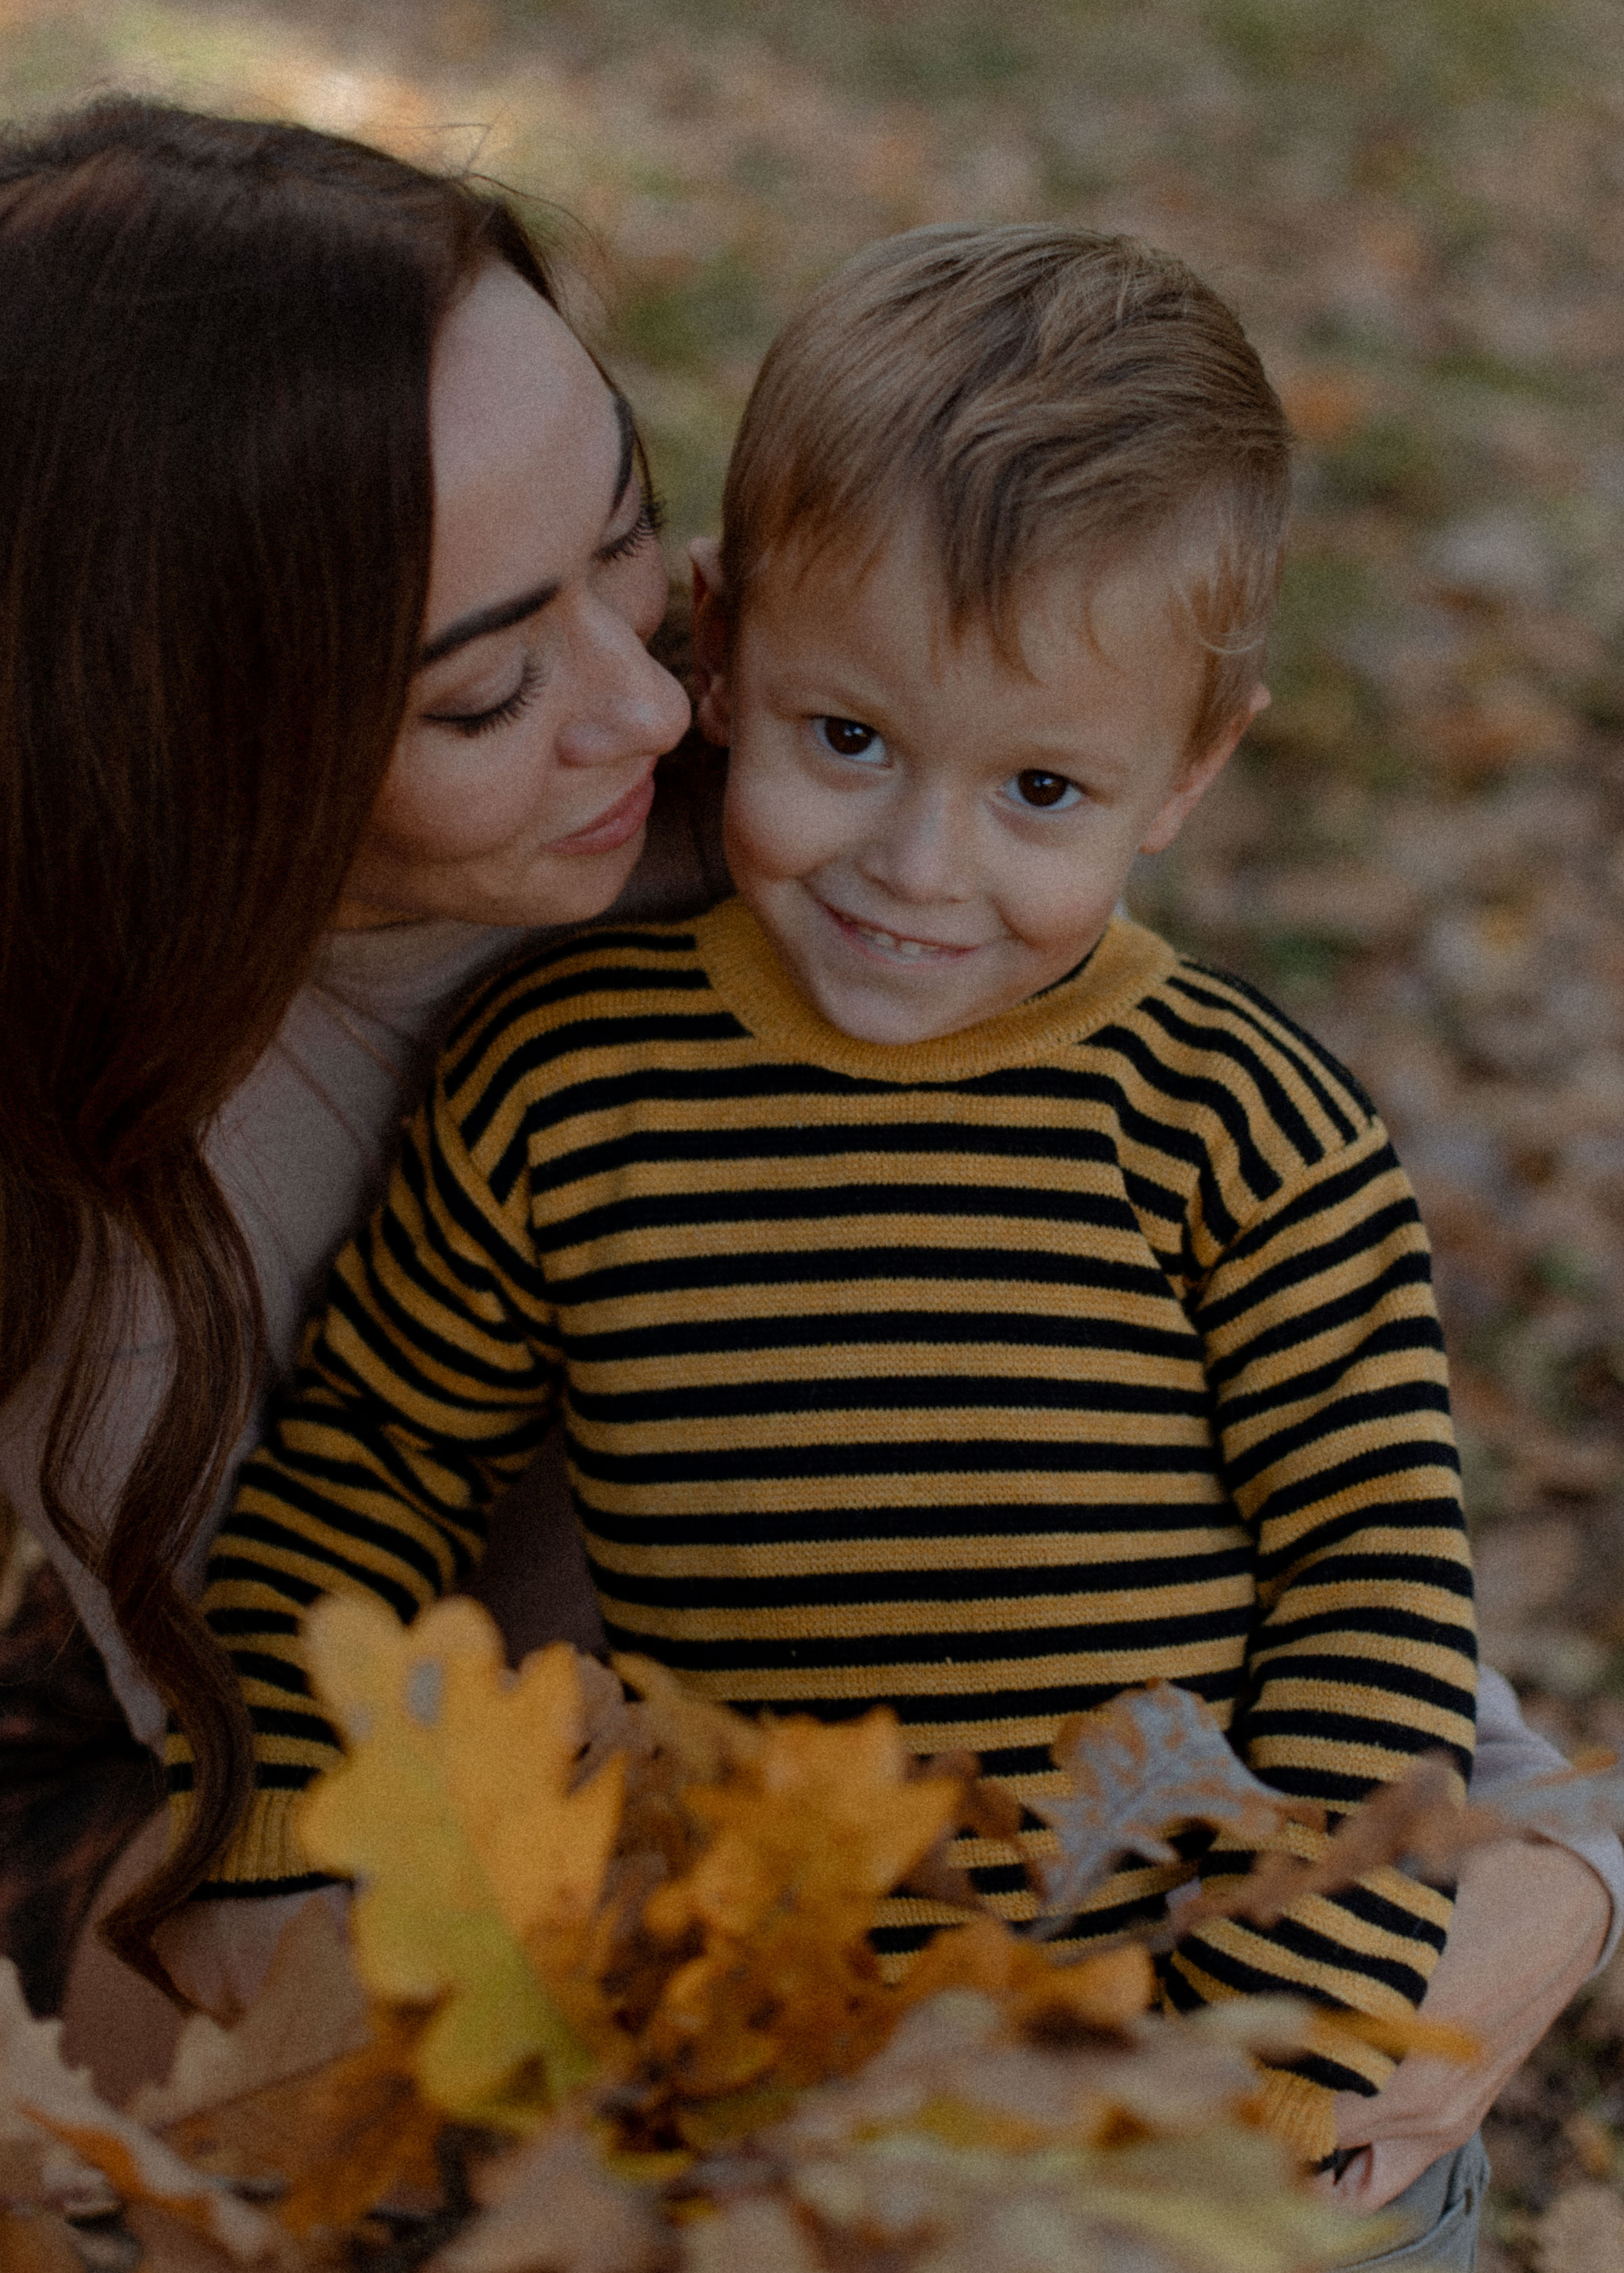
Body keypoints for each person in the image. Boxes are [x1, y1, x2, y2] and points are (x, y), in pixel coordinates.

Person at [176, 224, 1617, 2258]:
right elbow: (370, 1483)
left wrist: (1302, 2006)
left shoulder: (1242, 1125)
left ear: (1189, 773)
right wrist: (270, 1841)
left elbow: (1372, 1574)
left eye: (1042, 788)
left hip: (1229, 2089)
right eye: (846, 743)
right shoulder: (556, 1087)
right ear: (728, 648)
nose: (915, 873)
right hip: (781, 2073)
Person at [0, 95, 723, 2069]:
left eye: (632, 527)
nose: (652, 704)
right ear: (195, 739)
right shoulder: (110, 1187)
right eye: (487, 693)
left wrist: (1547, 1861)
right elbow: (283, 1898)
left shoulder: (795, 776)